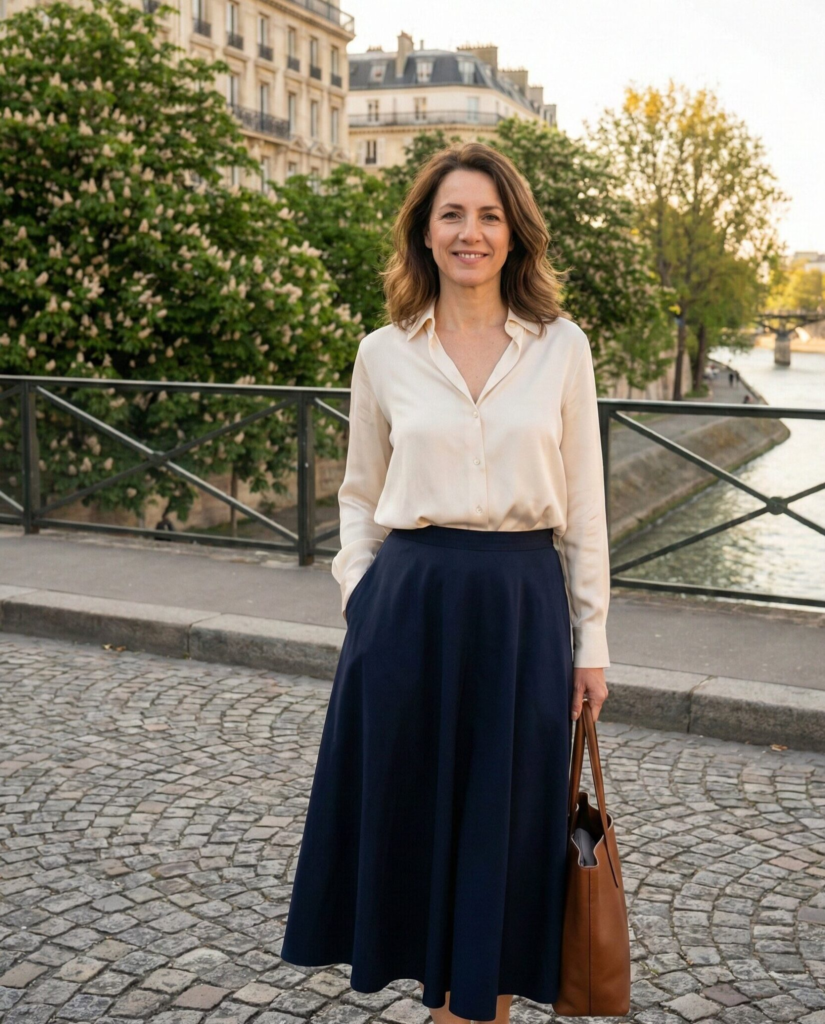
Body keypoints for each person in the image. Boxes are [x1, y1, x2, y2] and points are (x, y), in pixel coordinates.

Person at [279, 142, 612, 1024]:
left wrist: (592, 644)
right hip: (408, 612)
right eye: (452, 215)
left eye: (489, 216)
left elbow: (585, 507)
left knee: (505, 836)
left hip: (520, 610)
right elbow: (359, 493)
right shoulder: (382, 353)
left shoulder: (561, 347)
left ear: (514, 234)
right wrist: (361, 594)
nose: (471, 233)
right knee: (414, 826)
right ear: (424, 233)